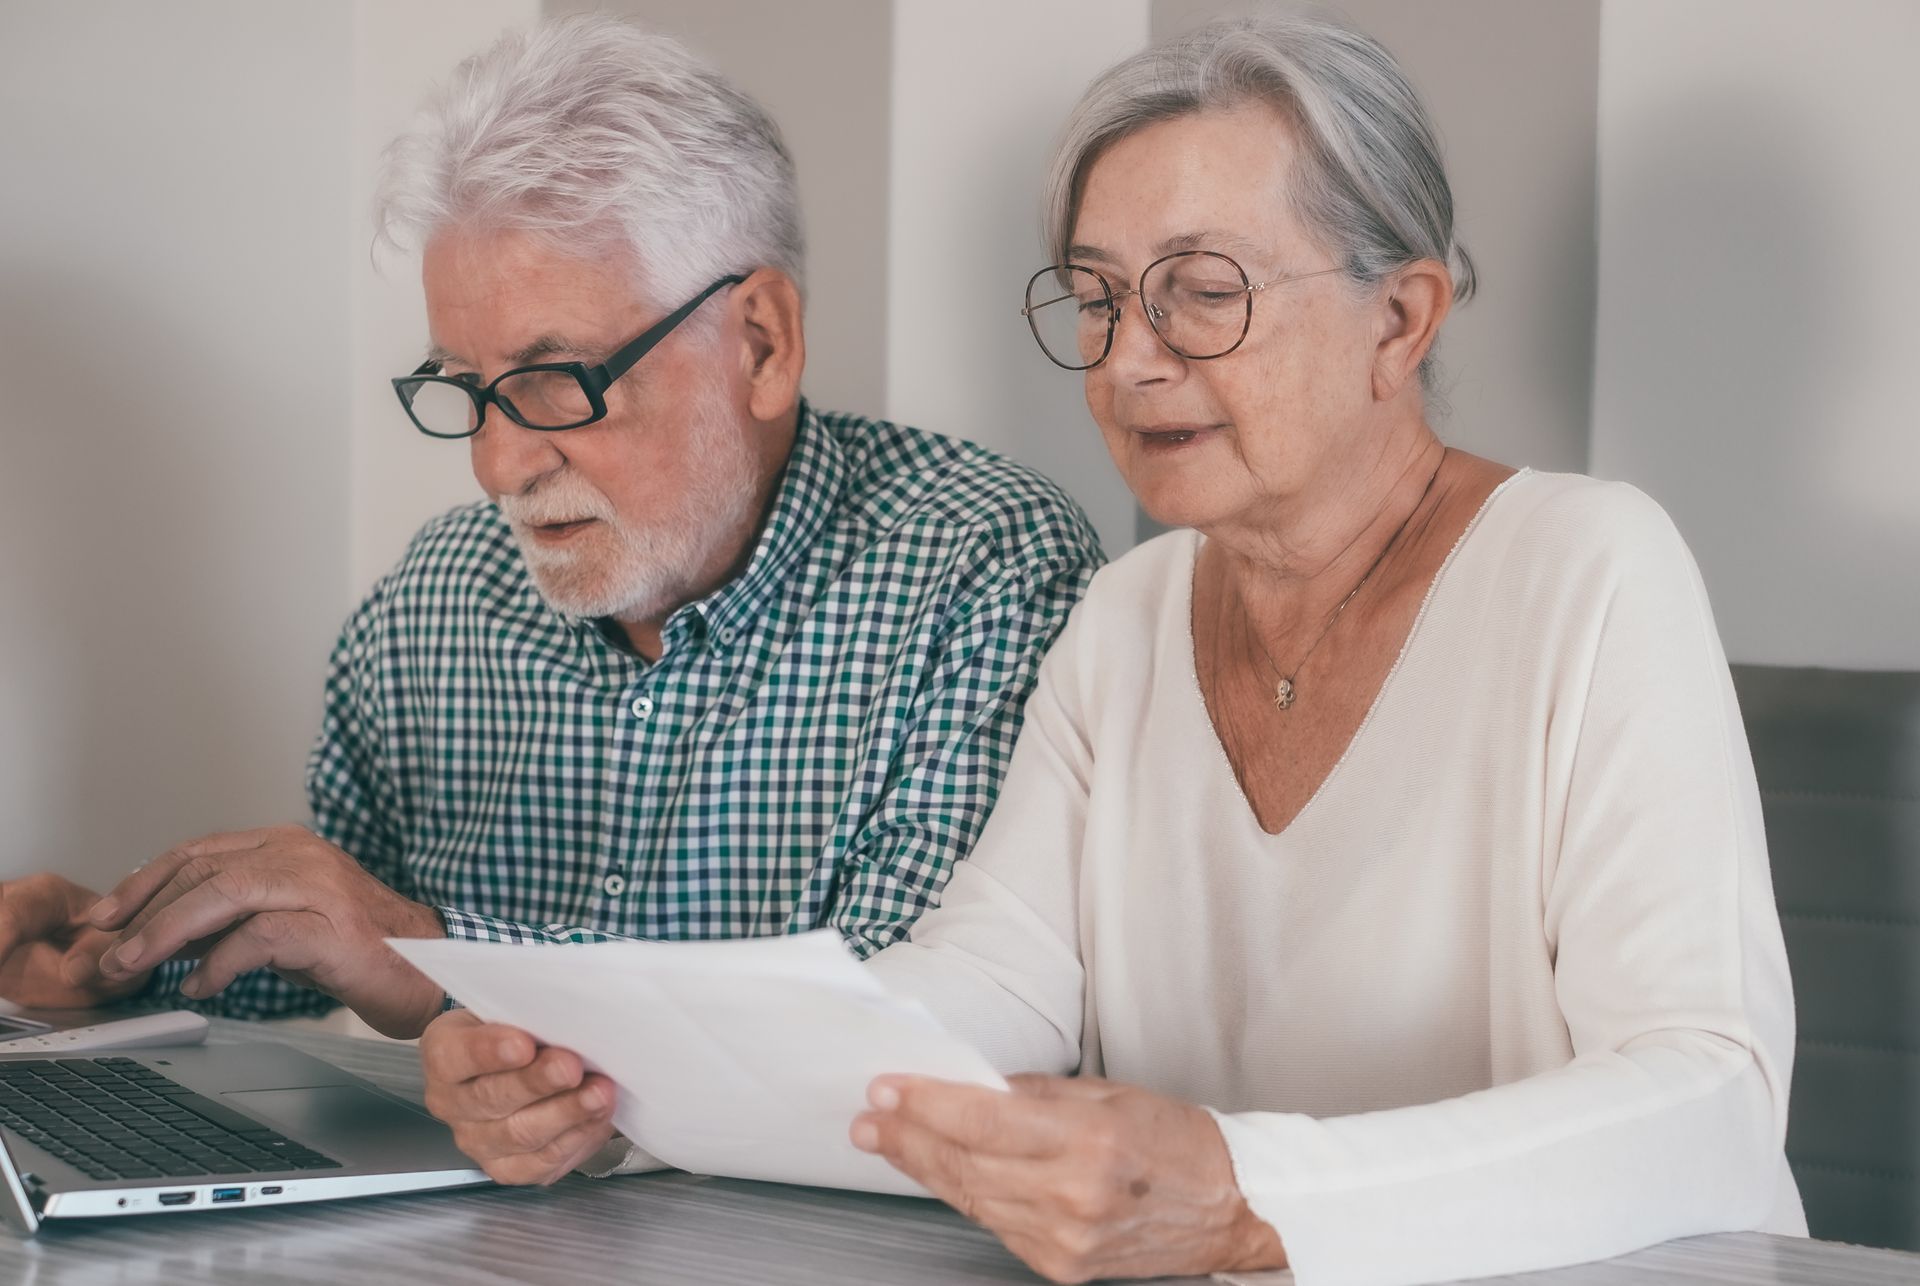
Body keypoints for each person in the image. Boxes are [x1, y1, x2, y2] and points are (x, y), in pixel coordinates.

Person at [419, 14, 1807, 1284]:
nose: (1129, 359)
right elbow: (971, 1000)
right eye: (1096, 297)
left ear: (1400, 318)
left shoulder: (1591, 567)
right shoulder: (1124, 618)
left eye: (1201, 291)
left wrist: (1244, 1194)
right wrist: (611, 1089)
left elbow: (1708, 1099)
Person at [0, 17, 1101, 1049]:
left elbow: (899, 1031)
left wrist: (435, 958)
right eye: (466, 386)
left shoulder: (983, 571)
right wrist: (119, 955)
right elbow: (346, 938)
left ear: (761, 342)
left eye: (553, 378)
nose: (496, 463)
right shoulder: (434, 599)